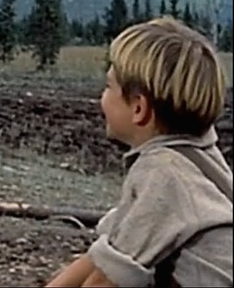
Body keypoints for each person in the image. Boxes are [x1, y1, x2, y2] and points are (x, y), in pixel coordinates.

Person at [45, 16, 232, 287]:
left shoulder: (163, 171)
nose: (103, 95)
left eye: (109, 86)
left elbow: (104, 281)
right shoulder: (197, 154)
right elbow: (103, 254)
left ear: (138, 108)